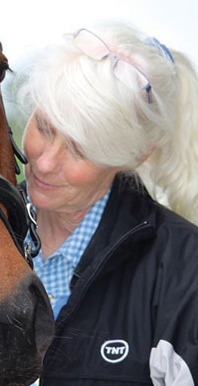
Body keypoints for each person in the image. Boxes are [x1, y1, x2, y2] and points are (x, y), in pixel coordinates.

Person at [14, 20, 198, 385]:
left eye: (80, 148)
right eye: (46, 127)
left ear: (136, 156)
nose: (45, 162)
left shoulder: (184, 268)